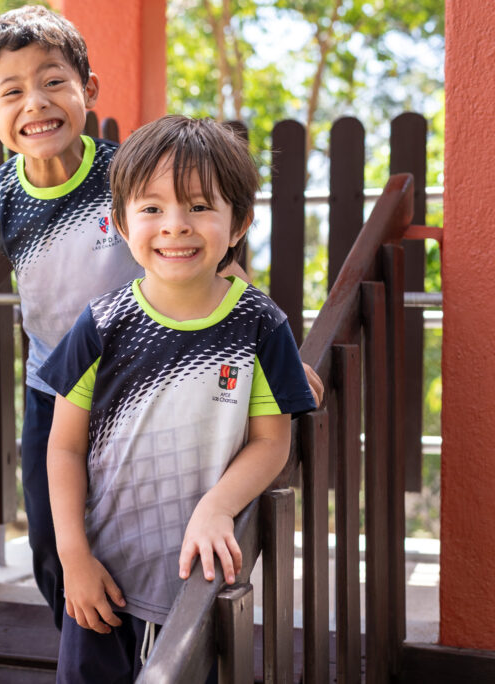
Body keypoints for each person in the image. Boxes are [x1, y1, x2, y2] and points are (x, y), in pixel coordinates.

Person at [0, 5, 321, 630]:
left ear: (88, 90)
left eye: (54, 81)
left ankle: (153, 645)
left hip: (146, 385)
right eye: (13, 92)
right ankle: (79, 638)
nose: (37, 103)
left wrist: (278, 354)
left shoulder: (126, 175)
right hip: (57, 391)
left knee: (144, 528)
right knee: (54, 540)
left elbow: (218, 264)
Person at [38, 115, 317, 682]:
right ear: (121, 223)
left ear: (239, 223)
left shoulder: (259, 325)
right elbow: (64, 447)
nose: (175, 226)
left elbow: (272, 441)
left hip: (200, 582)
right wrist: (73, 555)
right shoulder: (102, 325)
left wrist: (217, 506)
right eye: (152, 208)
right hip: (104, 576)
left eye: (199, 206)